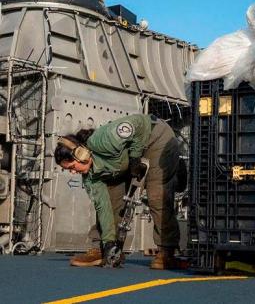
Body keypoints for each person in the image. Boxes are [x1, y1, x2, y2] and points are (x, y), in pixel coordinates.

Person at [54, 114, 186, 269]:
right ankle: (105, 249)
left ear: (80, 154)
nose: (73, 173)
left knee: (156, 195)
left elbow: (139, 123)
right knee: (111, 198)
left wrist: (136, 157)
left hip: (156, 139)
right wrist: (109, 242)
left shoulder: (103, 139)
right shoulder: (90, 177)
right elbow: (103, 207)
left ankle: (166, 251)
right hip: (125, 160)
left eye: (71, 167)